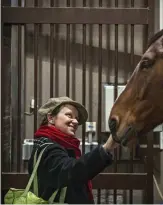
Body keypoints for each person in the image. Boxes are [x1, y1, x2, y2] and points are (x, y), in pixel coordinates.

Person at [28, 96, 119, 204]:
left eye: (77, 118)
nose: (75, 121)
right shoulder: (47, 147)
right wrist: (106, 148)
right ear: (51, 118)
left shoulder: (58, 144)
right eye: (69, 115)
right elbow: (71, 171)